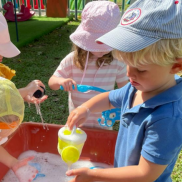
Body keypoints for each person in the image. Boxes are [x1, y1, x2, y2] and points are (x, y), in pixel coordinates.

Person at [59, 0, 182, 182]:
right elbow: (110, 97)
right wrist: (86, 107)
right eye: (127, 64)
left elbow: (145, 173)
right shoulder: (136, 88)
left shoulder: (168, 118)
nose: (130, 74)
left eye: (141, 69)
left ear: (176, 66)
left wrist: (92, 175)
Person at [48, 1, 128, 129]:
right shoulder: (72, 60)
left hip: (104, 124)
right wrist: (61, 81)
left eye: (106, 45)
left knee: (99, 148)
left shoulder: (117, 61)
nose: (102, 50)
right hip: (77, 123)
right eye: (96, 44)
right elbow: (52, 83)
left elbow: (126, 90)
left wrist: (122, 107)